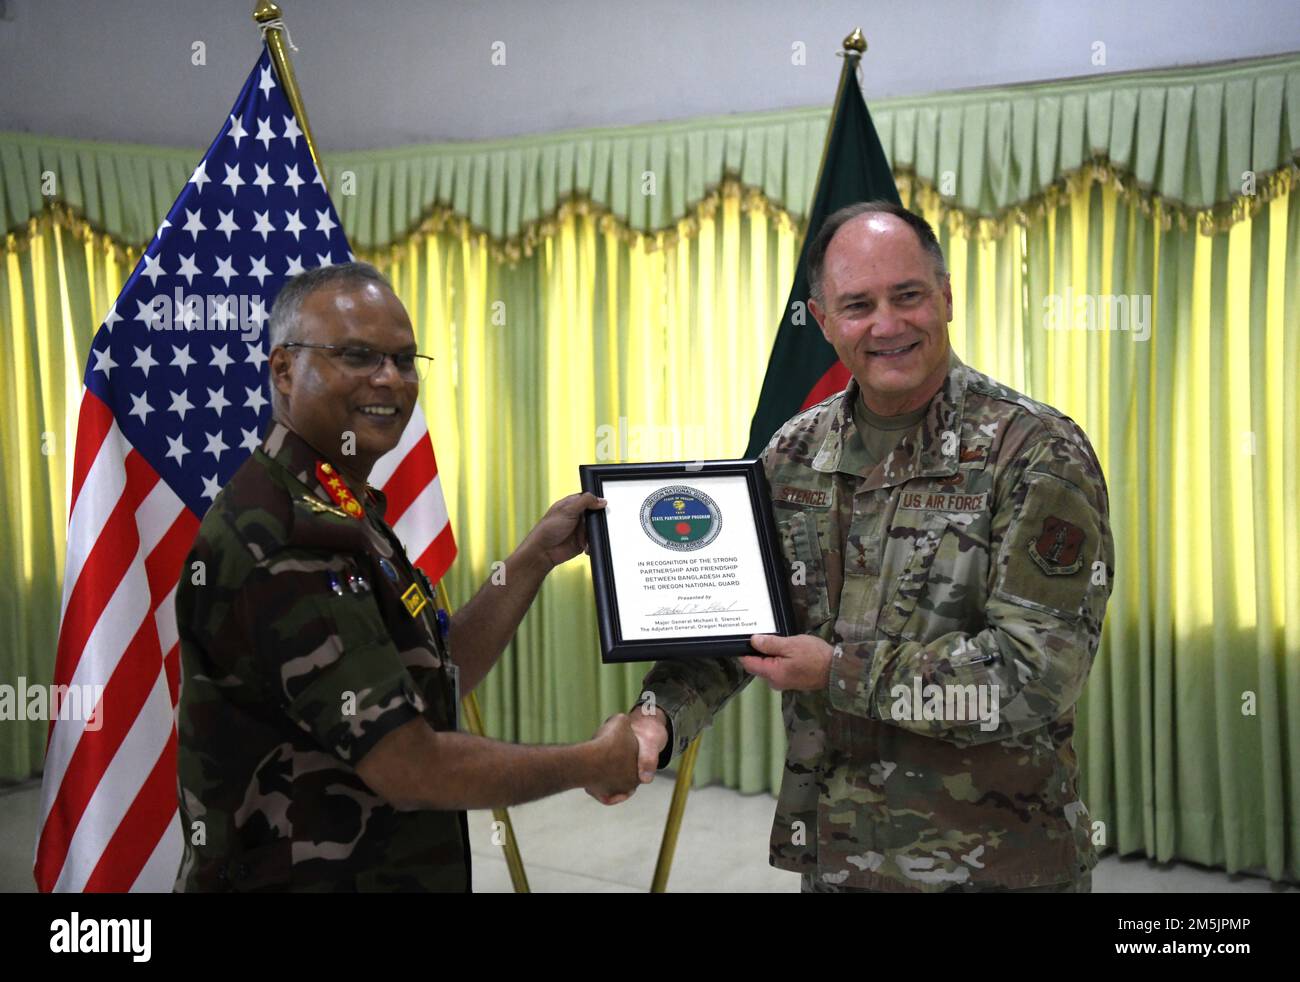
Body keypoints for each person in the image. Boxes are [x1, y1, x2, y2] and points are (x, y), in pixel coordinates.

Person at [599, 202, 1115, 893]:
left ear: (947, 296)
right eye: (858, 305)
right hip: (838, 861)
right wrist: (656, 720)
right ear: (822, 321)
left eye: (908, 296)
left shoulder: (1035, 453)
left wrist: (837, 671)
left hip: (995, 868)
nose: (887, 325)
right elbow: (736, 628)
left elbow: (1033, 677)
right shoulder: (794, 454)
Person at [175, 262, 639, 892]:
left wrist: (534, 557)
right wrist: (592, 761)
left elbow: (433, 673)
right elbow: (411, 766)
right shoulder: (284, 536)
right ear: (284, 370)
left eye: (403, 358)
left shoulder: (340, 508)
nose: (390, 379)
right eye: (358, 355)